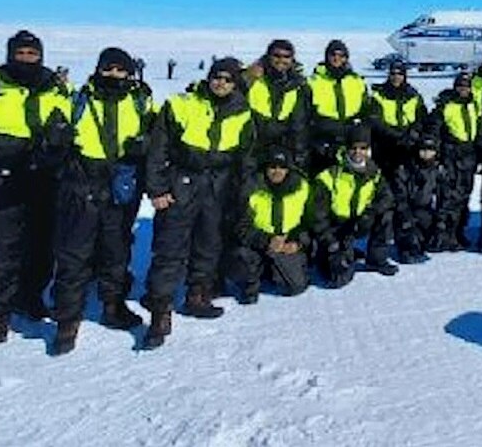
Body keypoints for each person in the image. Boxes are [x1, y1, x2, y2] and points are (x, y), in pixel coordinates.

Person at [0, 30, 72, 346]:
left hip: (44, 180)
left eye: (32, 55)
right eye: (20, 54)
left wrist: (57, 144)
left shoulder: (59, 92)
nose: (26, 60)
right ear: (9, 55)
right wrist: (22, 147)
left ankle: (29, 296)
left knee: (41, 246)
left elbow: (72, 131)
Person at [140, 57, 256, 349]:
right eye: (217, 77)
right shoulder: (182, 104)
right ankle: (160, 310)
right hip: (184, 182)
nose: (221, 83)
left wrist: (242, 195)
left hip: (218, 187)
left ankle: (197, 295)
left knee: (209, 245)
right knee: (169, 248)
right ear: (209, 78)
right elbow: (158, 149)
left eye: (228, 79)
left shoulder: (243, 113)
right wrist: (157, 188)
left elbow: (247, 159)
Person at [50, 47, 155, 355]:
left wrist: (143, 146)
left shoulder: (141, 101)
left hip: (122, 181)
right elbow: (55, 141)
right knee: (74, 252)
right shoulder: (76, 100)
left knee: (117, 248)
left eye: (120, 70)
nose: (114, 75)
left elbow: (154, 135)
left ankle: (113, 305)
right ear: (98, 69)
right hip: (83, 181)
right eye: (108, 69)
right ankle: (67, 320)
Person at [311, 123, 398, 288]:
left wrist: (369, 213)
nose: (358, 153)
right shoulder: (329, 175)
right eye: (353, 148)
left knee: (386, 214)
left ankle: (377, 259)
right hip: (335, 227)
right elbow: (318, 216)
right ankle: (330, 255)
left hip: (358, 223)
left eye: (363, 148)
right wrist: (330, 242)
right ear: (346, 148)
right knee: (339, 278)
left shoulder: (374, 173)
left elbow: (387, 197)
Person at [228, 147, 313, 304]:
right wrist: (266, 241)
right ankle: (253, 278)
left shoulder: (302, 187)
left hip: (287, 242)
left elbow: (310, 222)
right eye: (272, 167)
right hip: (257, 243)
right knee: (241, 265)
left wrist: (297, 242)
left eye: (282, 167)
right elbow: (240, 226)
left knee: (296, 286)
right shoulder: (252, 189)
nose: (277, 171)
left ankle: (275, 269)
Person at [426, 73, 482, 249]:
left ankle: (458, 231)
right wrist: (437, 154)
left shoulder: (474, 104)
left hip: (469, 157)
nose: (463, 89)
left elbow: (480, 127)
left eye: (466, 86)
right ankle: (441, 234)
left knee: (464, 196)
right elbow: (434, 130)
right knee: (447, 197)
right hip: (451, 156)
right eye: (460, 86)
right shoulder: (446, 105)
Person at [246, 39, 310, 168]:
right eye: (276, 56)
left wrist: (299, 152)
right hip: (253, 146)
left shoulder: (297, 85)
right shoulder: (253, 77)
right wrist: (247, 77)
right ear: (268, 56)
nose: (281, 60)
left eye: (286, 56)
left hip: (282, 147)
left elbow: (299, 123)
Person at [392, 133, 456, 261]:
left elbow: (445, 198)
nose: (426, 154)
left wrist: (440, 223)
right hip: (405, 213)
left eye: (430, 150)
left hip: (426, 212)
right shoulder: (405, 169)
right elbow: (399, 198)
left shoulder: (439, 170)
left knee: (440, 241)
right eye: (423, 150)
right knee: (410, 243)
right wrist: (408, 221)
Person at [307, 40, 368, 173]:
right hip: (324, 138)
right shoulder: (314, 81)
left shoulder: (357, 81)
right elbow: (306, 114)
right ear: (327, 56)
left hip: (350, 138)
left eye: (341, 55)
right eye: (333, 54)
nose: (337, 58)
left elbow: (366, 111)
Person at [366, 60, 428, 182]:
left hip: (409, 143)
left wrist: (414, 132)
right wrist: (396, 136)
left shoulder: (413, 96)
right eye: (393, 74)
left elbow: (422, 118)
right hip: (386, 143)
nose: (396, 77)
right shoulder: (379, 95)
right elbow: (376, 121)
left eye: (399, 74)